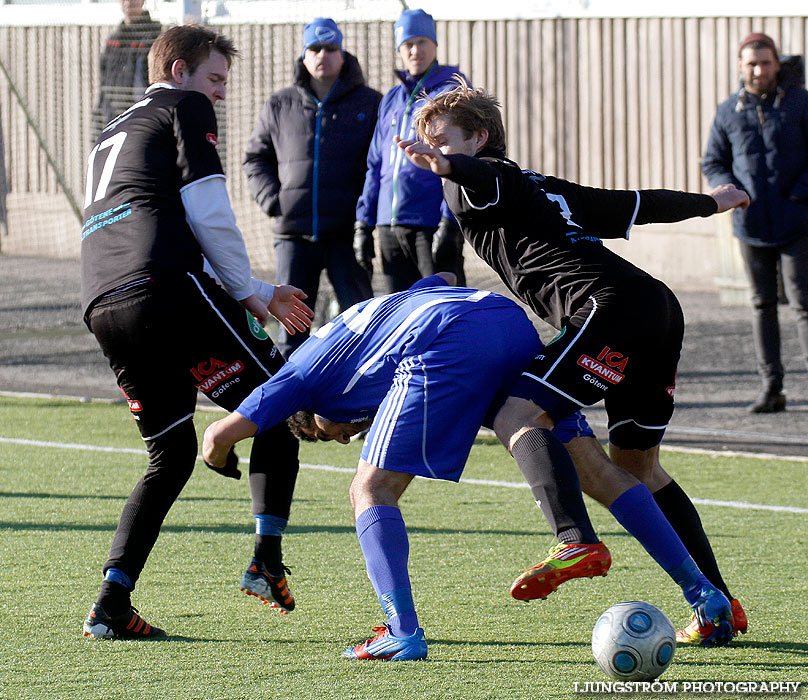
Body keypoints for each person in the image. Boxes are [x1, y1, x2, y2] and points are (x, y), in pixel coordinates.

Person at [203, 275, 742, 659]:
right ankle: (706, 596)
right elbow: (435, 277)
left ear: (312, 415)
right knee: (595, 470)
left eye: (334, 430)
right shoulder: (352, 329)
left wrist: (219, 449)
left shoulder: (301, 375)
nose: (350, 431)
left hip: (443, 342)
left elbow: (226, 428)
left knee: (370, 490)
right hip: (504, 319)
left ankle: (401, 631)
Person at [397, 79, 751, 645]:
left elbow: (485, 178)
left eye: (444, 140)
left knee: (517, 414)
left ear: (480, 137)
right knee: (639, 470)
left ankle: (574, 539)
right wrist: (712, 202)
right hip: (655, 309)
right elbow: (636, 203)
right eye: (429, 143)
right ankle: (719, 603)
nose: (432, 151)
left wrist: (451, 167)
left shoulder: (484, 179)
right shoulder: (544, 187)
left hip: (607, 311)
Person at [80, 25, 314, 640]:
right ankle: (266, 561)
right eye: (214, 80)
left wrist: (256, 291)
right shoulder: (181, 105)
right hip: (165, 290)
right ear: (179, 71)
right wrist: (253, 294)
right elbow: (209, 206)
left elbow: (166, 221)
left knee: (169, 457)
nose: (218, 95)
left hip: (105, 304)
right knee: (282, 402)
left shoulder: (113, 130)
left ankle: (110, 602)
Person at [243, 18, 381, 359]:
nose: (323, 55)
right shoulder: (280, 104)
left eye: (331, 48)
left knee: (362, 325)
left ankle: (357, 406)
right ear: (304, 55)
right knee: (293, 332)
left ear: (343, 53)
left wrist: (365, 212)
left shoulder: (370, 103)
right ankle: (295, 411)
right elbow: (254, 159)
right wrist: (275, 202)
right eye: (315, 49)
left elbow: (379, 165)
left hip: (346, 235)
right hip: (293, 236)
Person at [702, 32, 808, 414]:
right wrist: (728, 190)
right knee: (762, 304)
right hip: (751, 225)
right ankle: (772, 388)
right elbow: (713, 162)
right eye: (751, 63)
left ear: (777, 64)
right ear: (740, 65)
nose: (758, 69)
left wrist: (798, 194)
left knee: (804, 304)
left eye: (765, 62)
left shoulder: (800, 103)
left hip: (797, 222)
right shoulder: (729, 110)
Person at [353, 8, 466, 293]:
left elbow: (461, 160)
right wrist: (364, 223)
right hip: (389, 226)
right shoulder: (391, 98)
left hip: (432, 223)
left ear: (434, 44)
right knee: (400, 315)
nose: (415, 50)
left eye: (421, 42)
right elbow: (375, 163)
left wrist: (449, 223)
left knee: (444, 309)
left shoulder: (452, 90)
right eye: (407, 44)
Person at [92, 0, 162, 136]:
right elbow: (104, 84)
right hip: (112, 118)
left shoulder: (153, 36)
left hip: (140, 118)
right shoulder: (113, 40)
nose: (128, 3)